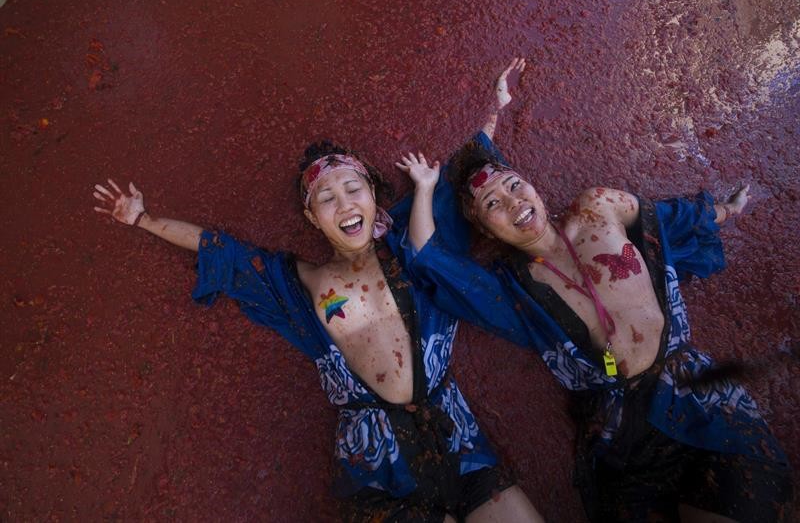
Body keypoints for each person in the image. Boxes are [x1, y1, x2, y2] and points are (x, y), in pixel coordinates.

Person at [90, 60, 542, 523]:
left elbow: (460, 181)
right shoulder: (302, 282)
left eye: (353, 189)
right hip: (377, 468)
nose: (344, 203)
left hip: (458, 436)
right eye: (326, 198)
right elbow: (224, 252)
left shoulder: (414, 246)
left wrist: (495, 107)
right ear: (312, 217)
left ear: (372, 197)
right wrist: (143, 219)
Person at [397, 59, 794, 522]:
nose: (513, 201)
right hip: (624, 434)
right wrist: (425, 188)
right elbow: (427, 256)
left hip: (697, 395)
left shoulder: (598, 207)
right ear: (486, 229)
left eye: (514, 185)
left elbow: (665, 219)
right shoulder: (515, 292)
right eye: (493, 204)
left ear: (531, 185)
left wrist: (724, 211)